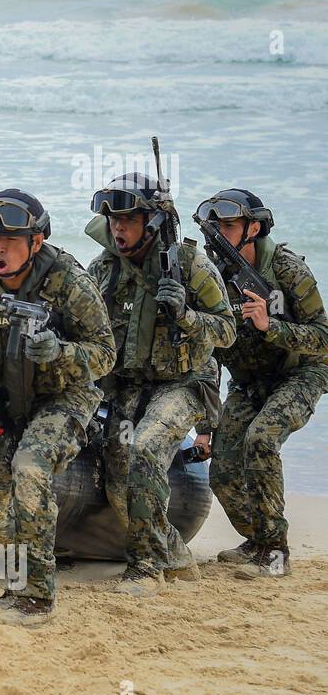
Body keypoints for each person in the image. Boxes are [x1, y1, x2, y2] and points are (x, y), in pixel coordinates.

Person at [0, 189, 115, 625]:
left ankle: (37, 596)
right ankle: (21, 570)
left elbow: (105, 354)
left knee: (31, 468)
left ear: (36, 242)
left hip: (62, 396)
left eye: (9, 241)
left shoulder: (70, 284)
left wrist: (60, 352)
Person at [85, 173, 235, 595]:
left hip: (185, 382)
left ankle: (146, 568)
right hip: (128, 385)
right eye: (113, 219)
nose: (118, 228)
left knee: (145, 448)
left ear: (152, 222)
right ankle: (173, 552)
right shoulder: (104, 269)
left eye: (129, 219)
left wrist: (186, 314)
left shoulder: (189, 265)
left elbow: (226, 331)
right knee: (117, 476)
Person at [193, 189, 328, 578]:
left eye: (229, 224)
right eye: (215, 224)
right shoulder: (212, 275)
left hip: (300, 374)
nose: (220, 231)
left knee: (261, 439)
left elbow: (322, 337)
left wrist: (272, 327)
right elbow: (210, 353)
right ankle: (258, 539)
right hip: (247, 382)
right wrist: (205, 427)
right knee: (222, 471)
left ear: (254, 228)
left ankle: (275, 551)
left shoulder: (287, 271)